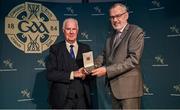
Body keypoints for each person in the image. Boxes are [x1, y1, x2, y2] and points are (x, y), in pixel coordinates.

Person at [91, 3, 144, 109]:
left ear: (126, 15)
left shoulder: (136, 31)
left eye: (118, 16)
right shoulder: (111, 36)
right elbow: (104, 55)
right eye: (112, 17)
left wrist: (107, 70)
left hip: (129, 91)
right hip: (115, 89)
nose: (115, 20)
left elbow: (133, 60)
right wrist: (93, 66)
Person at [46, 18, 91, 109]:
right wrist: (72, 74)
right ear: (63, 31)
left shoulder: (86, 48)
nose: (71, 32)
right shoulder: (55, 49)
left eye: (74, 29)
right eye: (68, 29)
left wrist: (87, 73)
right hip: (62, 100)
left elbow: (90, 72)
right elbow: (50, 74)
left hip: (81, 100)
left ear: (77, 31)